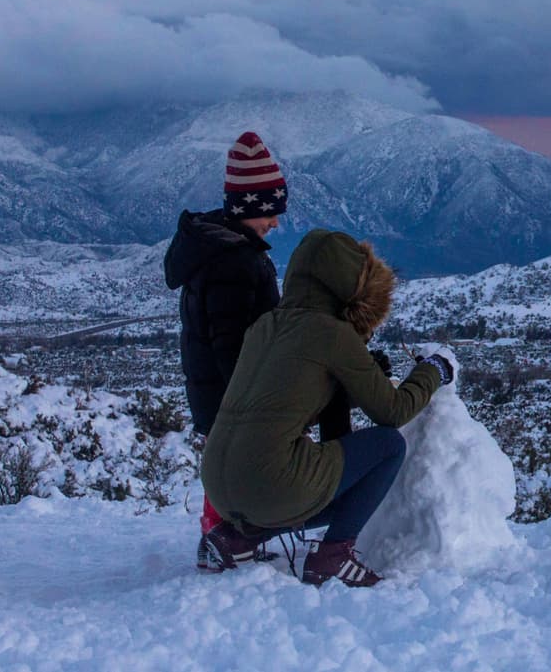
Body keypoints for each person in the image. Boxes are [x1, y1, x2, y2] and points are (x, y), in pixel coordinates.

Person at [200, 229, 454, 587]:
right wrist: (433, 371)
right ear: (354, 287)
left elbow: (295, 398)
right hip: (269, 483)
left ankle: (240, 538)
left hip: (218, 486)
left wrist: (355, 378)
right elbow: (392, 412)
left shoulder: (265, 326)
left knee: (327, 473)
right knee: (387, 446)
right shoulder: (331, 332)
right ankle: (333, 556)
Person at [164, 131, 287, 569]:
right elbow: (232, 341)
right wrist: (252, 393)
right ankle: (221, 540)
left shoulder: (220, 250)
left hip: (212, 388)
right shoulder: (233, 262)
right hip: (228, 390)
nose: (275, 223)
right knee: (232, 465)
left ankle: (224, 537)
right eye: (271, 212)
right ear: (250, 208)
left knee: (224, 464)